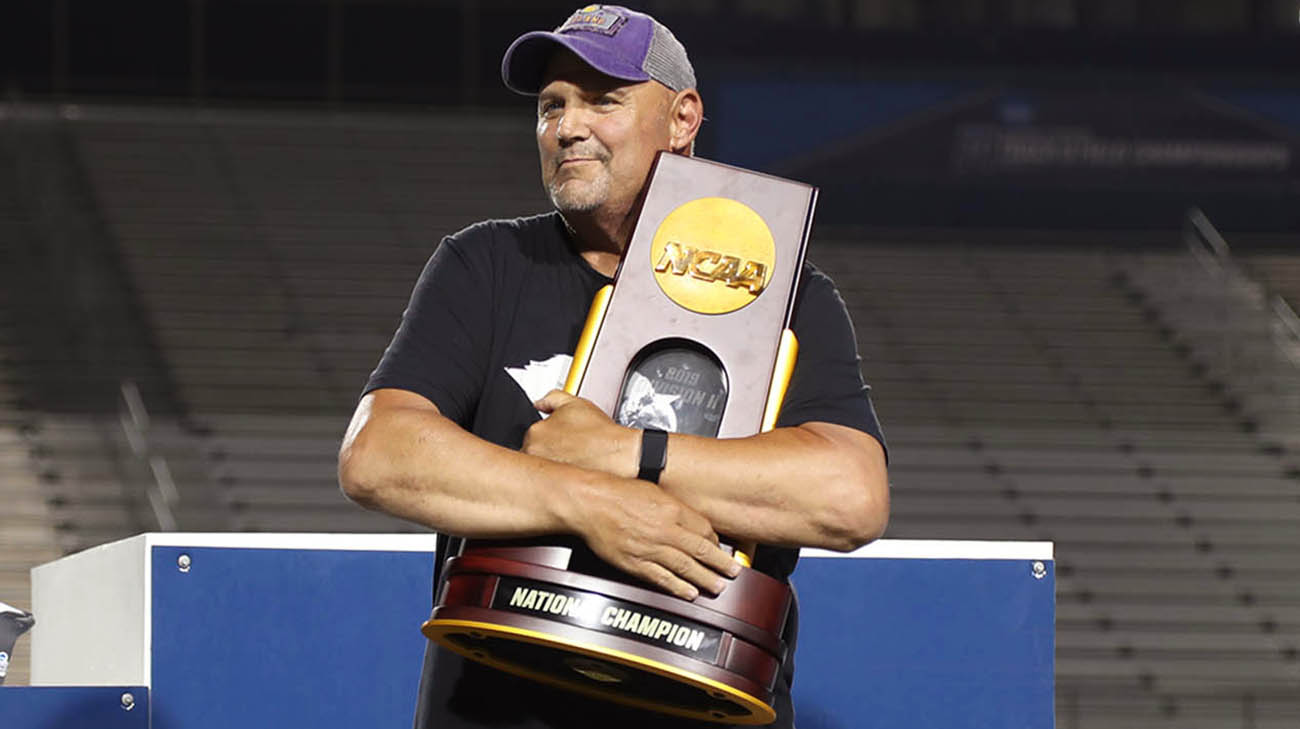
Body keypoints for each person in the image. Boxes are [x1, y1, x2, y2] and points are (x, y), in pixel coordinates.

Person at [338, 5, 889, 728]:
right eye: (551, 105)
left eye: (603, 99)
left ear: (683, 117)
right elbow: (376, 455)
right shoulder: (486, 264)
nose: (567, 126)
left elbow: (850, 495)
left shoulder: (784, 292)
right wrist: (589, 502)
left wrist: (628, 453)